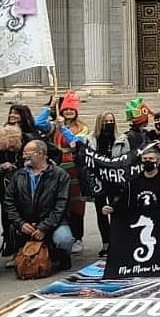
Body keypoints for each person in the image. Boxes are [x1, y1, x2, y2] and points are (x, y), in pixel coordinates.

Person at [3, 139, 75, 272]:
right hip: (26, 222)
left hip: (53, 222)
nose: (24, 156)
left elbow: (61, 205)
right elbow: (9, 203)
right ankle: (25, 254)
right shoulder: (18, 175)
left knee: (64, 239)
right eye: (24, 153)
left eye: (28, 152)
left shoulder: (60, 175)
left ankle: (60, 258)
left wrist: (44, 227)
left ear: (41, 153)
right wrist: (20, 223)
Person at [38, 92, 88, 255]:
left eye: (71, 110)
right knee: (59, 202)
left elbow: (75, 142)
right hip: (56, 168)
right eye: (65, 109)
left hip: (74, 169)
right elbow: (37, 123)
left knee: (76, 205)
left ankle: (77, 237)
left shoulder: (82, 128)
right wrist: (50, 107)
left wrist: (64, 128)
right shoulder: (53, 126)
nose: (68, 112)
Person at [0, 105, 33, 259]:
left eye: (16, 113)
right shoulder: (3, 133)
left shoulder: (29, 138)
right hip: (3, 180)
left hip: (23, 181)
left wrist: (16, 165)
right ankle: (9, 241)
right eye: (11, 113)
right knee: (6, 211)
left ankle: (20, 244)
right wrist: (1, 138)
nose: (12, 115)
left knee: (21, 210)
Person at [90, 111, 126, 258]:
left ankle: (117, 241)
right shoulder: (92, 140)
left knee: (116, 209)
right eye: (106, 121)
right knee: (101, 211)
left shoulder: (121, 139)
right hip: (99, 179)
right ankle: (106, 242)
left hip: (115, 179)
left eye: (111, 121)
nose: (109, 124)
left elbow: (126, 157)